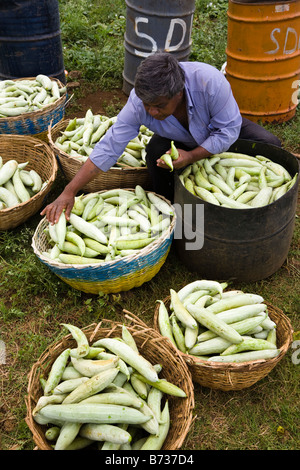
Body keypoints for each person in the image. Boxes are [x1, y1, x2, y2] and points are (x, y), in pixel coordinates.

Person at [41, 52, 281, 224]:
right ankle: (173, 215)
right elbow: (110, 146)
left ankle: (260, 213)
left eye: (159, 106)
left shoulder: (209, 83)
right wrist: (70, 190)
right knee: (154, 153)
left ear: (178, 92)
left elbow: (227, 131)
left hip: (218, 130)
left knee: (270, 145)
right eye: (147, 105)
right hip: (178, 139)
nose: (152, 112)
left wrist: (192, 156)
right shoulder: (139, 104)